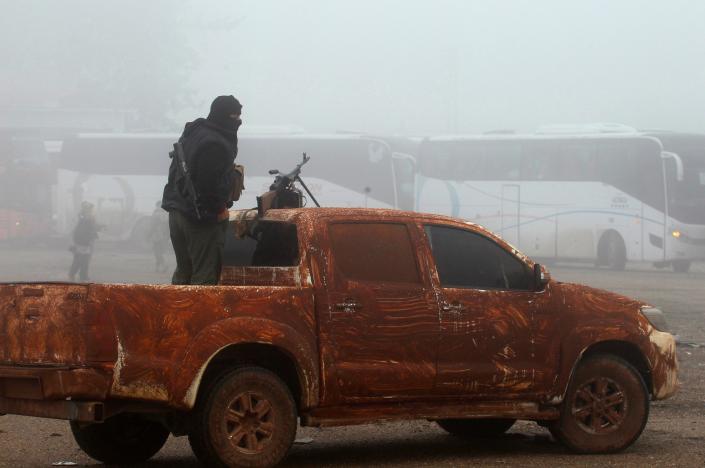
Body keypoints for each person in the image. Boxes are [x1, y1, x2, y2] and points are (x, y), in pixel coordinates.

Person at [161, 95, 242, 285]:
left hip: (177, 210)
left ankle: (174, 313)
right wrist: (219, 209)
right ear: (224, 116)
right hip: (199, 217)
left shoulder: (195, 130)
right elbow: (208, 185)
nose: (239, 121)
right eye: (235, 116)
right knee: (204, 277)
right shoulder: (215, 144)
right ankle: (199, 315)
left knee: (183, 273)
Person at [68, 201, 100, 282]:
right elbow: (80, 231)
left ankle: (83, 276)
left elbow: (92, 229)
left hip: (86, 242)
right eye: (90, 210)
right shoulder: (83, 219)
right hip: (82, 243)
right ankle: (74, 274)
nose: (91, 212)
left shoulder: (88, 219)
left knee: (84, 260)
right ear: (86, 211)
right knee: (80, 260)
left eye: (91, 210)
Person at [147, 200, 170, 273]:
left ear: (157, 205)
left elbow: (153, 225)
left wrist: (149, 235)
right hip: (164, 235)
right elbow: (168, 225)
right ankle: (158, 267)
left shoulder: (156, 213)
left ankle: (163, 265)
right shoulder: (166, 213)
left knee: (157, 252)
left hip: (156, 235)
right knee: (161, 251)